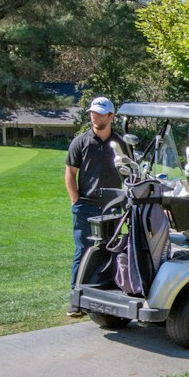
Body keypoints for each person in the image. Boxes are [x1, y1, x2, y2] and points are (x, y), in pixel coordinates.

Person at [64, 96, 127, 314]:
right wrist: (75, 201)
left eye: (100, 113)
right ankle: (76, 299)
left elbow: (128, 174)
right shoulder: (80, 142)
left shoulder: (120, 144)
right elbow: (70, 173)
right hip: (86, 206)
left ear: (111, 117)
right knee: (83, 250)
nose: (94, 116)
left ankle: (103, 296)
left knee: (109, 251)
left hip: (112, 208)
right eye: (92, 112)